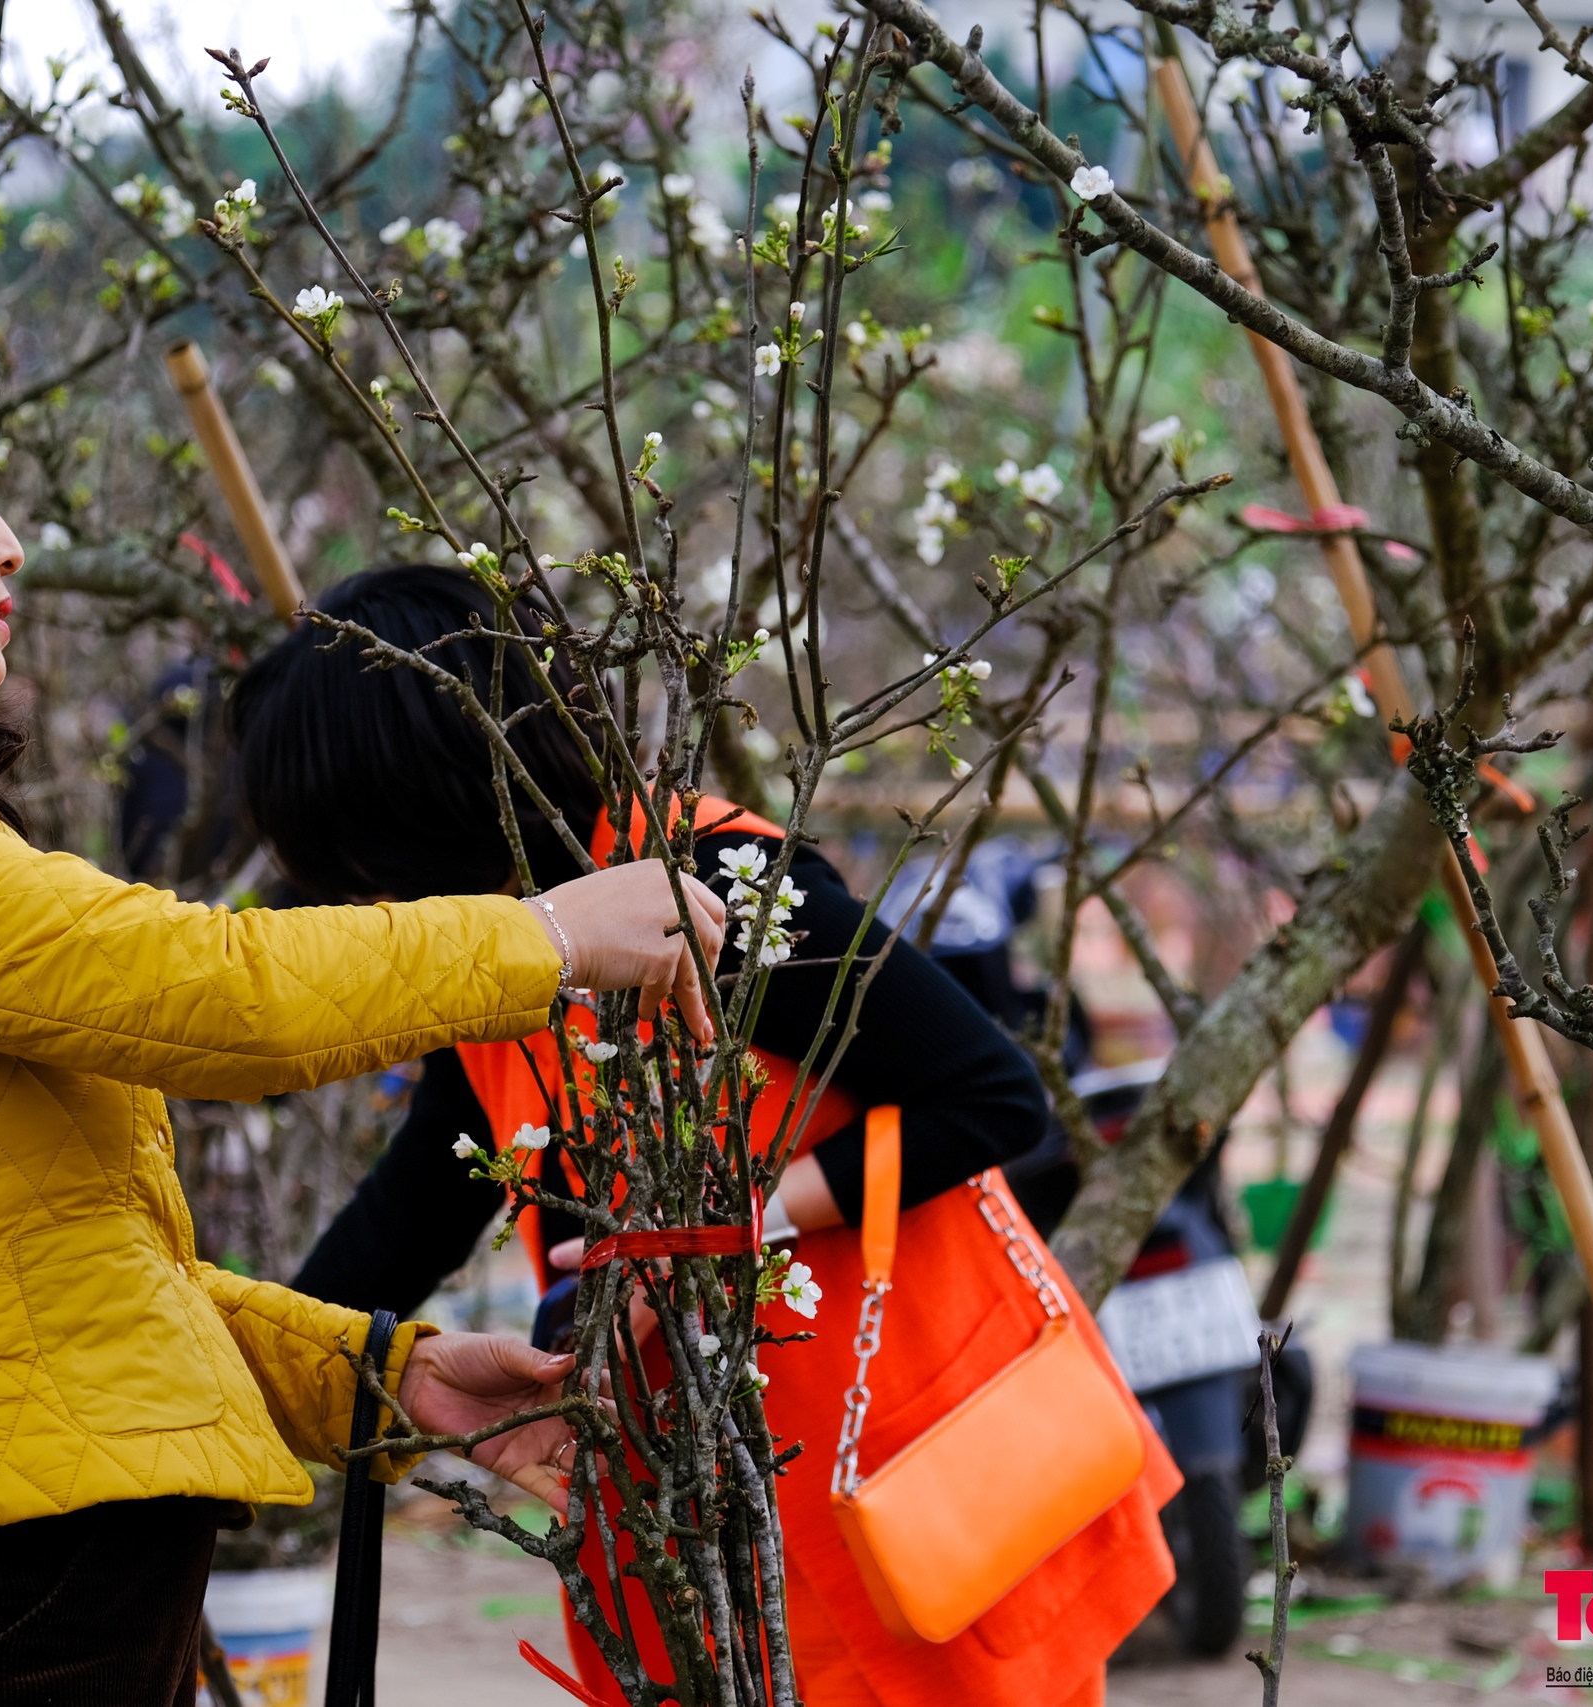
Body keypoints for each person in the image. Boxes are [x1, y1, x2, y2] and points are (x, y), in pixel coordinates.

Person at [0, 304, 724, 1707]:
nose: (12, 542)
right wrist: (544, 935)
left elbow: (66, 1272)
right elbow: (210, 994)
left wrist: (383, 1370)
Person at [231, 565, 1181, 1707]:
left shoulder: (705, 889)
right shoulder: (505, 948)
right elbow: (413, 1209)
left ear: (413, 809)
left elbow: (988, 1097)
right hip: (705, 1494)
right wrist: (251, 1389)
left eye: (349, 858)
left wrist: (741, 1221)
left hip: (904, 1459)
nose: (351, 897)